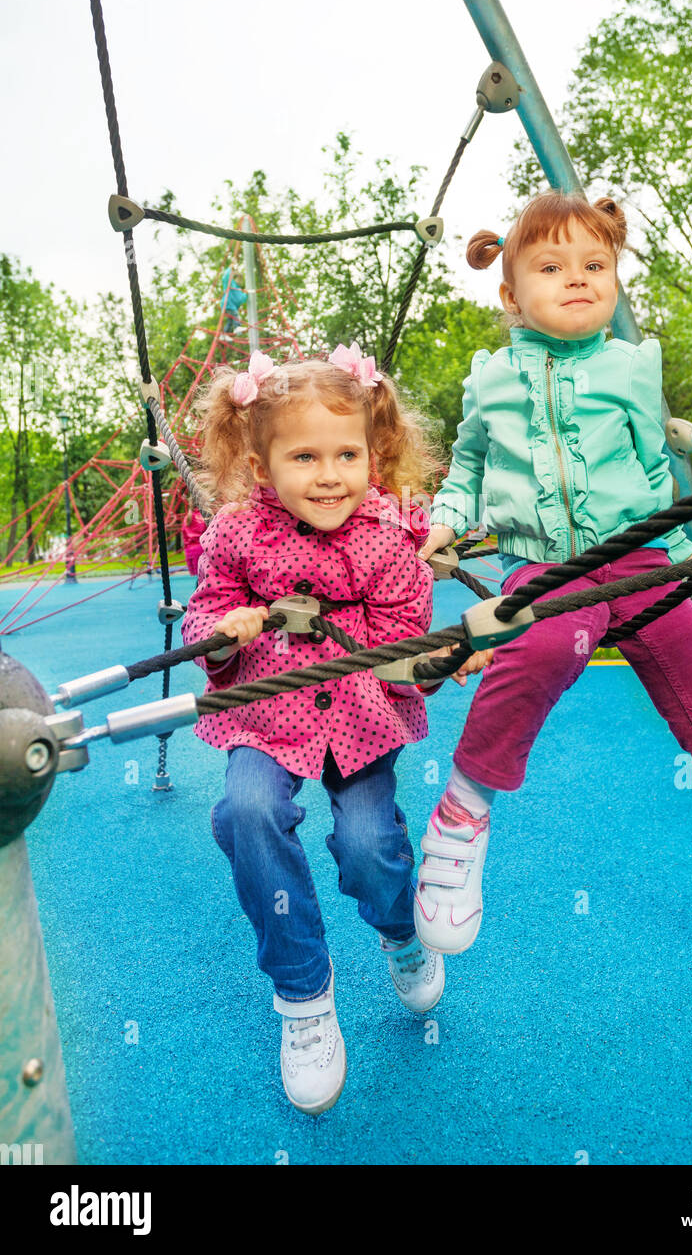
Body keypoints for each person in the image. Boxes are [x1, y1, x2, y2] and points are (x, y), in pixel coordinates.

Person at [415, 190, 692, 976]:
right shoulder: (489, 381)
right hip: (548, 567)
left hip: (643, 559)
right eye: (552, 266)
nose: (578, 278)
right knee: (542, 647)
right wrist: (447, 516)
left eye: (596, 264)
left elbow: (657, 471)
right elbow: (469, 465)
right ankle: (462, 813)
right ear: (512, 295)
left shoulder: (629, 367)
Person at [181, 342, 456, 1115]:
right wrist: (225, 629)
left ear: (376, 454)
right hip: (269, 711)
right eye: (305, 456)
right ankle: (304, 999)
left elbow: (407, 629)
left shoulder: (385, 540)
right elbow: (206, 609)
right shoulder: (236, 535)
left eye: (347, 454)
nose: (330, 474)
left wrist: (431, 660)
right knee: (246, 812)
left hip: (361, 716)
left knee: (370, 846)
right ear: (264, 467)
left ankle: (399, 930)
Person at [220, 266, 247, 335]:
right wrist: (230, 269)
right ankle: (237, 327)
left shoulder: (239, 290)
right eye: (238, 278)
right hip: (228, 304)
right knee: (235, 315)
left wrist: (246, 294)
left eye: (241, 279)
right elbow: (225, 278)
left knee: (230, 321)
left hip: (229, 306)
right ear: (235, 278)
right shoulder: (231, 283)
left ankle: (224, 334)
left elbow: (241, 299)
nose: (240, 281)